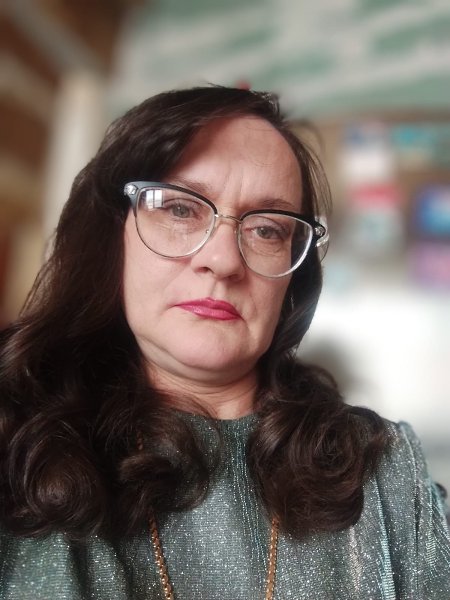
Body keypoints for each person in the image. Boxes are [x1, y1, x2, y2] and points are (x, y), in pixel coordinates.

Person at [0, 86, 449, 600]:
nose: (224, 260)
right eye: (180, 209)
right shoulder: (16, 445)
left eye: (267, 229)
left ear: (292, 280)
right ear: (111, 235)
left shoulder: (387, 471)